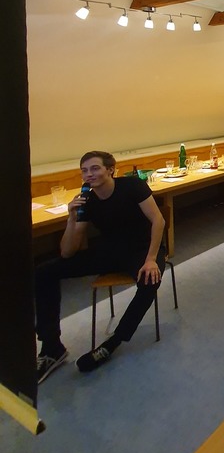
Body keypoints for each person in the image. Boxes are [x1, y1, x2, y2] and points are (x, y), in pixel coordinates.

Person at [34, 151, 166, 381]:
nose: (89, 174)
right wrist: (71, 218)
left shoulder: (132, 186)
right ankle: (51, 347)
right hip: (110, 252)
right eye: (84, 170)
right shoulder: (87, 200)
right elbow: (67, 252)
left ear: (110, 170)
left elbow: (158, 220)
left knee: (148, 282)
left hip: (143, 249)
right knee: (44, 272)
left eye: (94, 168)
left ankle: (113, 342)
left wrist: (151, 259)